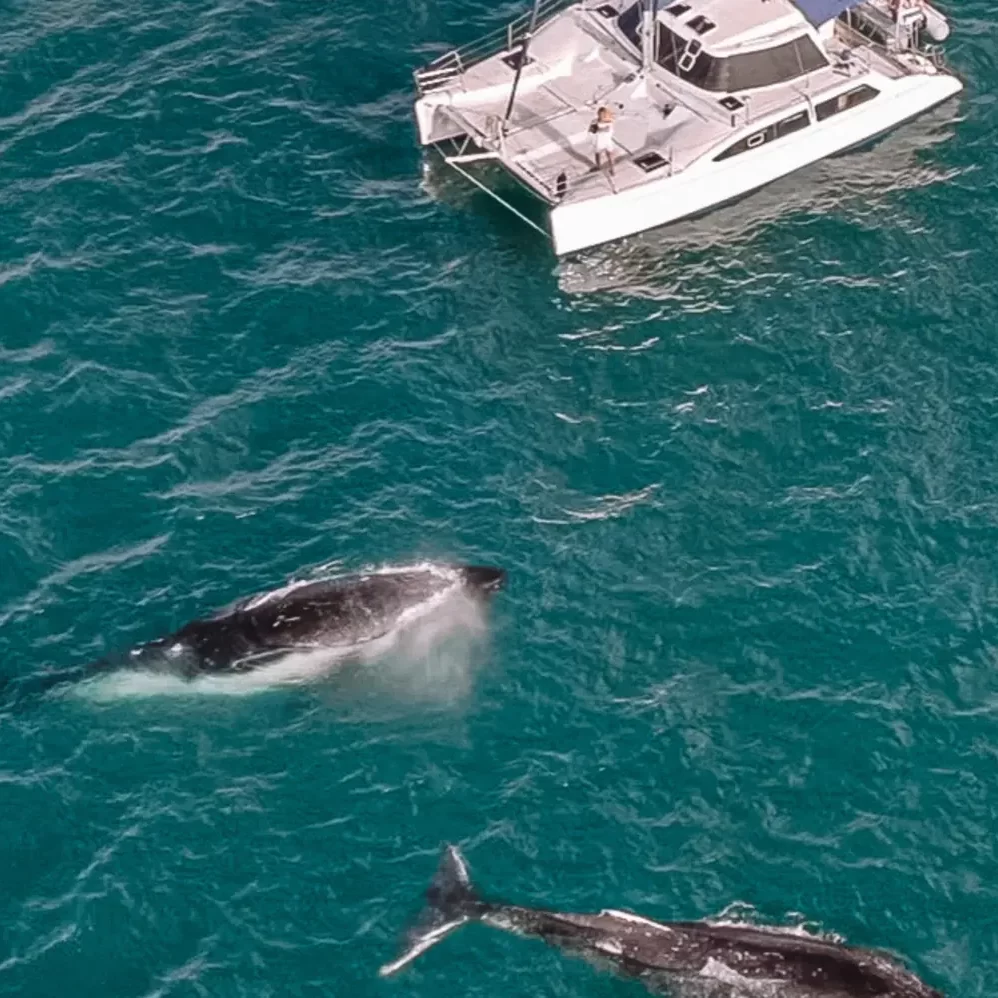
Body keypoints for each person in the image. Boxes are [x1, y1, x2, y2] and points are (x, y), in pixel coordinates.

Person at [590, 106, 615, 175]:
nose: (601, 116)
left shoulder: (609, 121)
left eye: (603, 114)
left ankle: (612, 169)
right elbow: (591, 129)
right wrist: (594, 128)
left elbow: (606, 129)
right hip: (599, 140)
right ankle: (598, 166)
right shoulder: (595, 121)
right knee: (597, 154)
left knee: (609, 155)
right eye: (600, 114)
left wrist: (597, 128)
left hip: (606, 140)